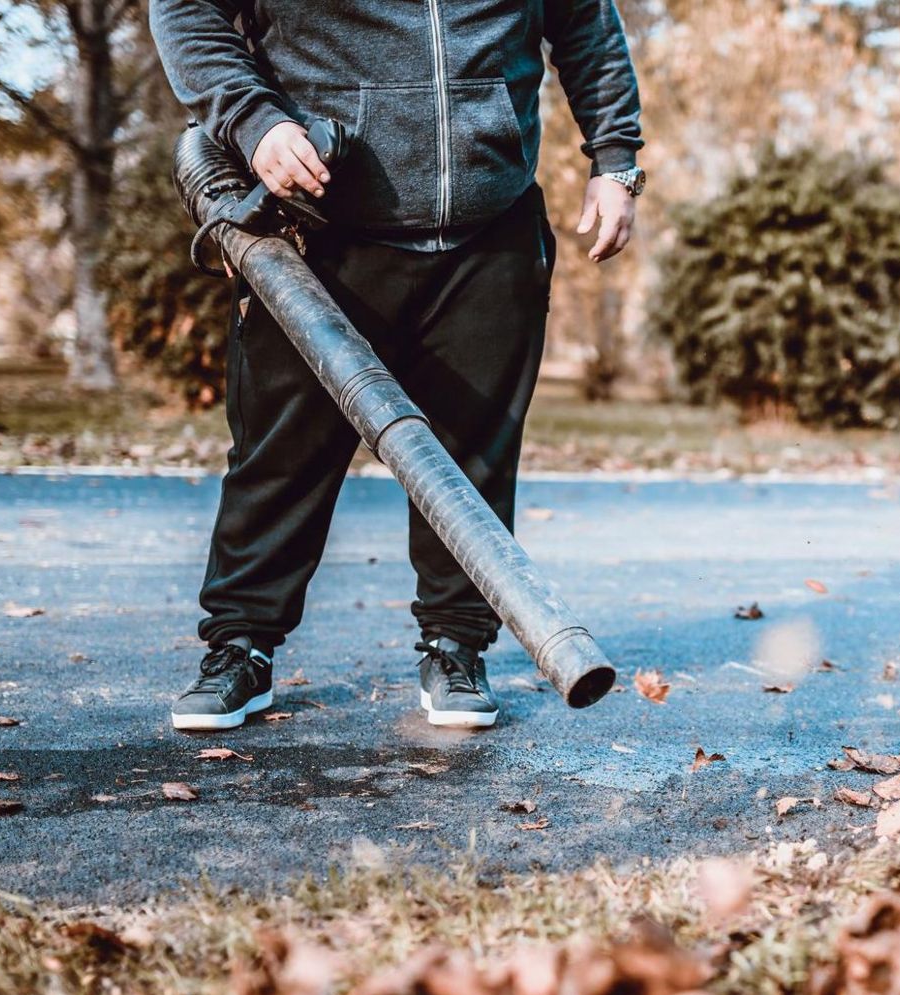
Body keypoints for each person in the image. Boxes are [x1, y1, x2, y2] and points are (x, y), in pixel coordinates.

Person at [150, 0, 645, 731]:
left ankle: (456, 646)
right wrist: (255, 122)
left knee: (474, 455)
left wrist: (615, 159)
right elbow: (185, 9)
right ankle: (241, 648)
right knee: (280, 457)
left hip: (490, 226)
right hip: (320, 229)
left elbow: (586, 25)